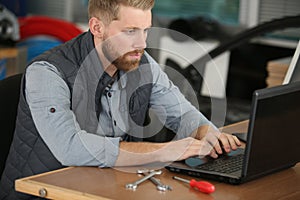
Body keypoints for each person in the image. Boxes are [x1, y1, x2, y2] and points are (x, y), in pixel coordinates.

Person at [0, 0, 241, 199]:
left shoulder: (141, 62)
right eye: (130, 32)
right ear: (97, 27)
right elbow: (70, 147)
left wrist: (208, 134)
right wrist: (166, 150)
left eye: (145, 30)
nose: (142, 44)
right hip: (40, 194)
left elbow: (182, 114)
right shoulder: (47, 72)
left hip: (104, 187)